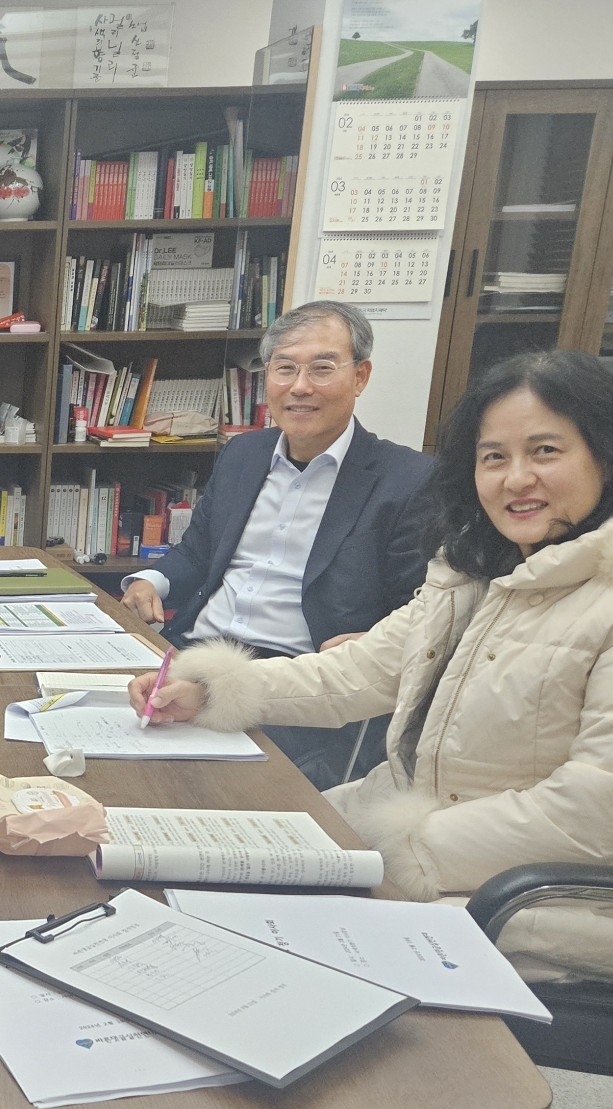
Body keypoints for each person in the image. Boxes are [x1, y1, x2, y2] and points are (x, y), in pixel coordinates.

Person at [132, 348, 613, 985]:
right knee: (187, 878)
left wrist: (400, 851)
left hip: (538, 906)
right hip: (410, 853)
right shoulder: (482, 572)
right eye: (494, 457)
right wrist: (210, 689)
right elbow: (357, 672)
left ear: (606, 456)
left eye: (545, 451)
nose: (516, 479)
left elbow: (599, 811)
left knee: (239, 962)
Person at [118, 301, 434, 789]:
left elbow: (420, 604)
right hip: (194, 653)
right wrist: (149, 580)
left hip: (299, 680)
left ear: (360, 376)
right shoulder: (245, 453)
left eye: (322, 368)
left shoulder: (408, 479)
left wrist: (374, 641)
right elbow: (199, 551)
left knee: (206, 793)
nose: (300, 386)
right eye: (285, 368)